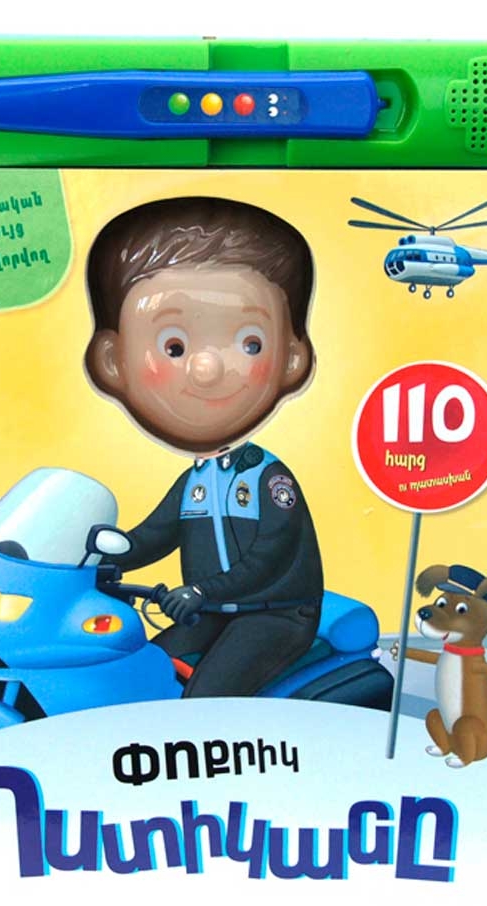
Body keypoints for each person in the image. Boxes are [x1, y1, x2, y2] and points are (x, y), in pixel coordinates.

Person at [84, 197, 323, 697]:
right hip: (213, 610)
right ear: (112, 362)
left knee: (204, 698)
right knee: (142, 668)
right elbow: (153, 535)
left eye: (250, 344)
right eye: (174, 347)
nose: (206, 368)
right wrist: (95, 560)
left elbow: (269, 557)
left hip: (275, 613)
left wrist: (200, 590)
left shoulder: (268, 479)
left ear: (292, 359)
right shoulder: (198, 479)